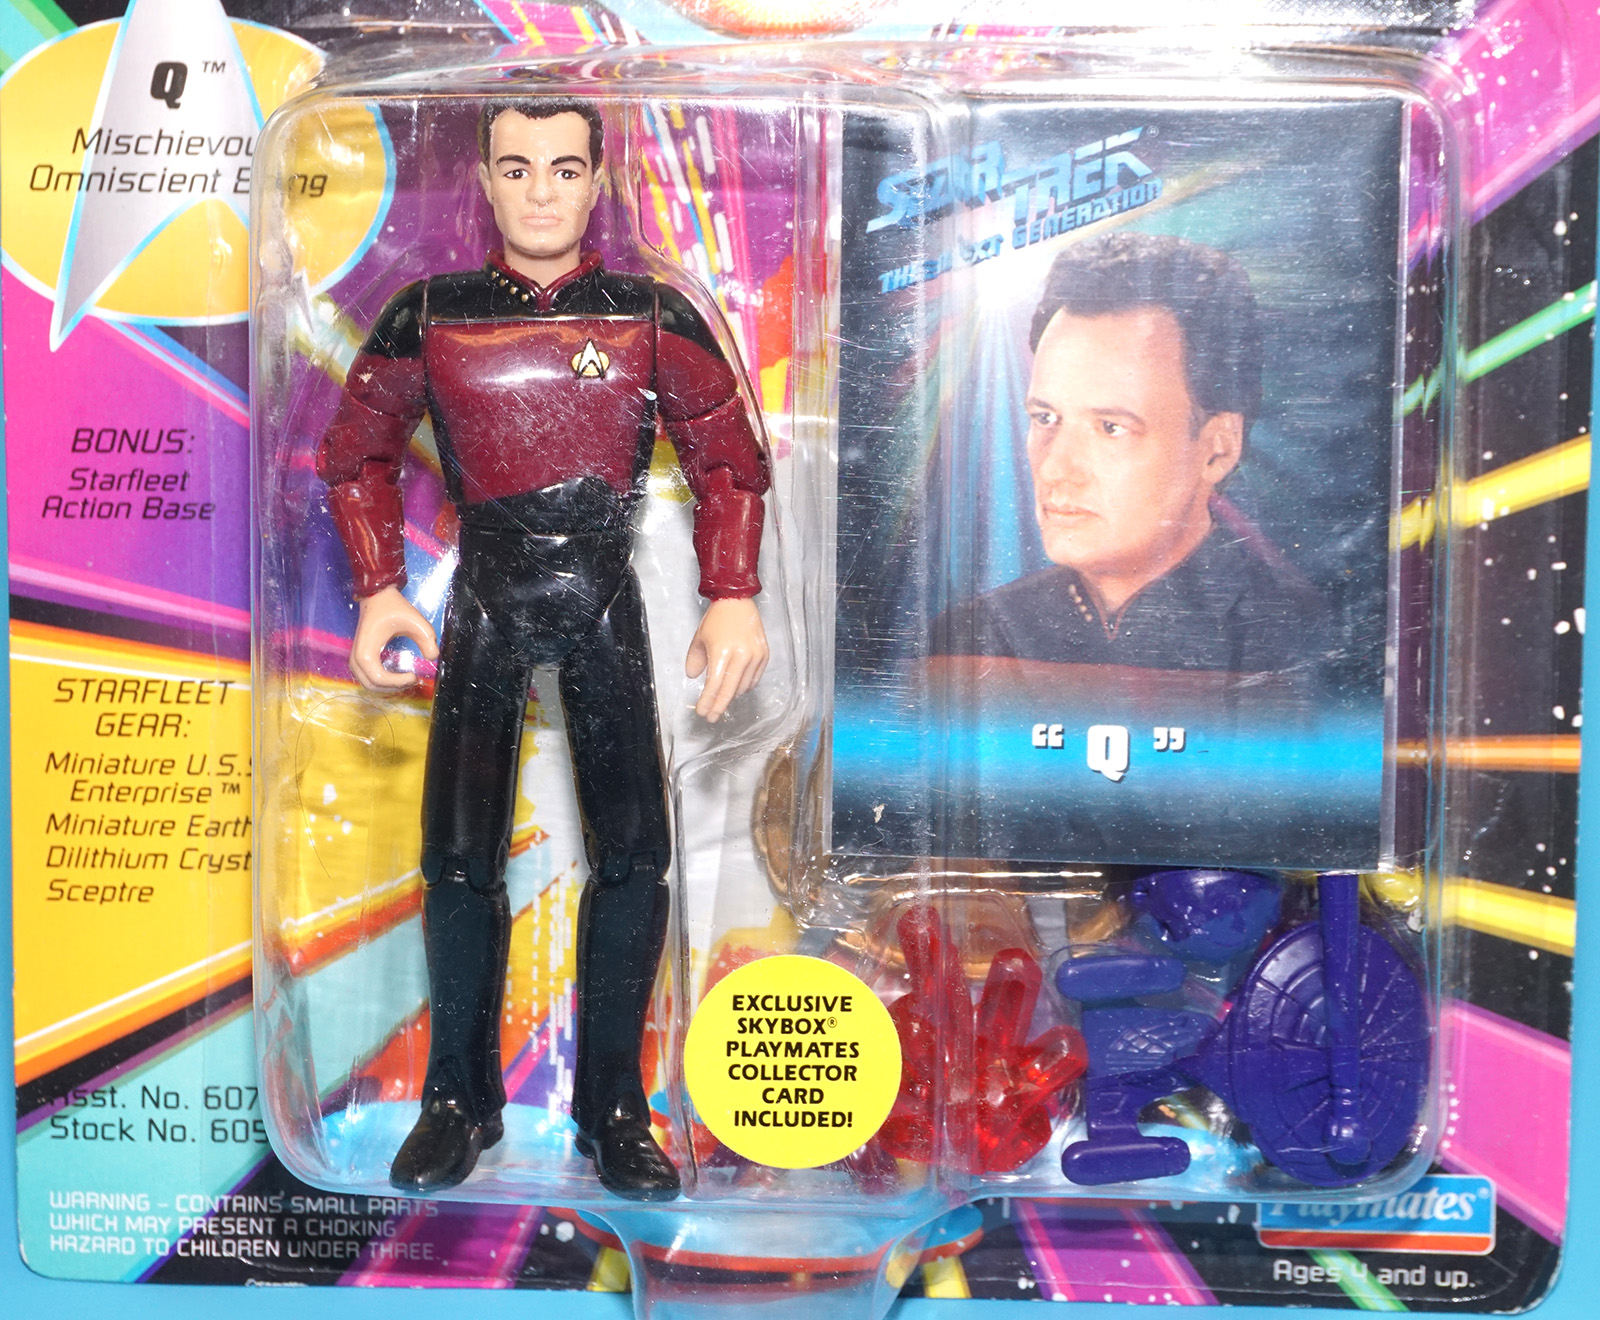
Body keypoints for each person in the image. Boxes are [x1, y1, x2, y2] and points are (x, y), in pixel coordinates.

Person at [315, 98, 770, 1199]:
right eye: (516, 167)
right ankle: (456, 1100)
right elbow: (356, 451)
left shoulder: (650, 312)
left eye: (564, 168)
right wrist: (379, 590)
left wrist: (733, 594)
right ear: (484, 178)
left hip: (604, 590)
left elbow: (728, 460)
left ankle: (613, 1106)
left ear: (598, 181)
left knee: (635, 855)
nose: (540, 191)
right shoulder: (432, 312)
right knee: (457, 855)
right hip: (486, 593)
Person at [933, 232, 1326, 674]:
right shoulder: (967, 637)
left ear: (1218, 448)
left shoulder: (1304, 642)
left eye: (1111, 427)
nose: (1055, 468)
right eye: (1045, 418)